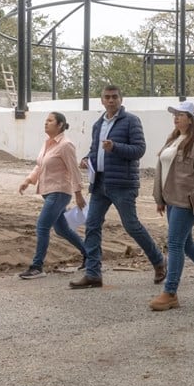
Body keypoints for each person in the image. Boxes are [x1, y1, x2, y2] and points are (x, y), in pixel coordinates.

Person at [69, 84, 166, 289]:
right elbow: (95, 150)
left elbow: (139, 149)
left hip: (122, 184)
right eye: (107, 97)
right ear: (101, 100)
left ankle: (159, 261)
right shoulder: (98, 125)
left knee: (131, 226)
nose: (111, 100)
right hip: (100, 183)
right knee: (92, 226)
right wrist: (87, 159)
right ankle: (93, 274)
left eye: (114, 97)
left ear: (121, 99)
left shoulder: (131, 121)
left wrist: (115, 147)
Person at [150, 102, 194, 311]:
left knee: (174, 244)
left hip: (186, 201)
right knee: (186, 243)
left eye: (181, 115)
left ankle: (170, 292)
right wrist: (159, 198)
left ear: (191, 119)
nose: (176, 117)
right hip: (171, 199)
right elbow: (162, 169)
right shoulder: (173, 140)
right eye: (175, 114)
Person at [18, 112, 87, 279]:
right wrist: (28, 180)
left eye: (50, 121)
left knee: (42, 226)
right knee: (62, 229)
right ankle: (91, 255)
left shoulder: (66, 145)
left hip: (59, 192)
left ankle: (37, 266)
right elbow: (40, 166)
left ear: (60, 125)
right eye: (45, 121)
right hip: (48, 192)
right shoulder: (47, 143)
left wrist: (78, 194)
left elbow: (74, 170)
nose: (46, 123)